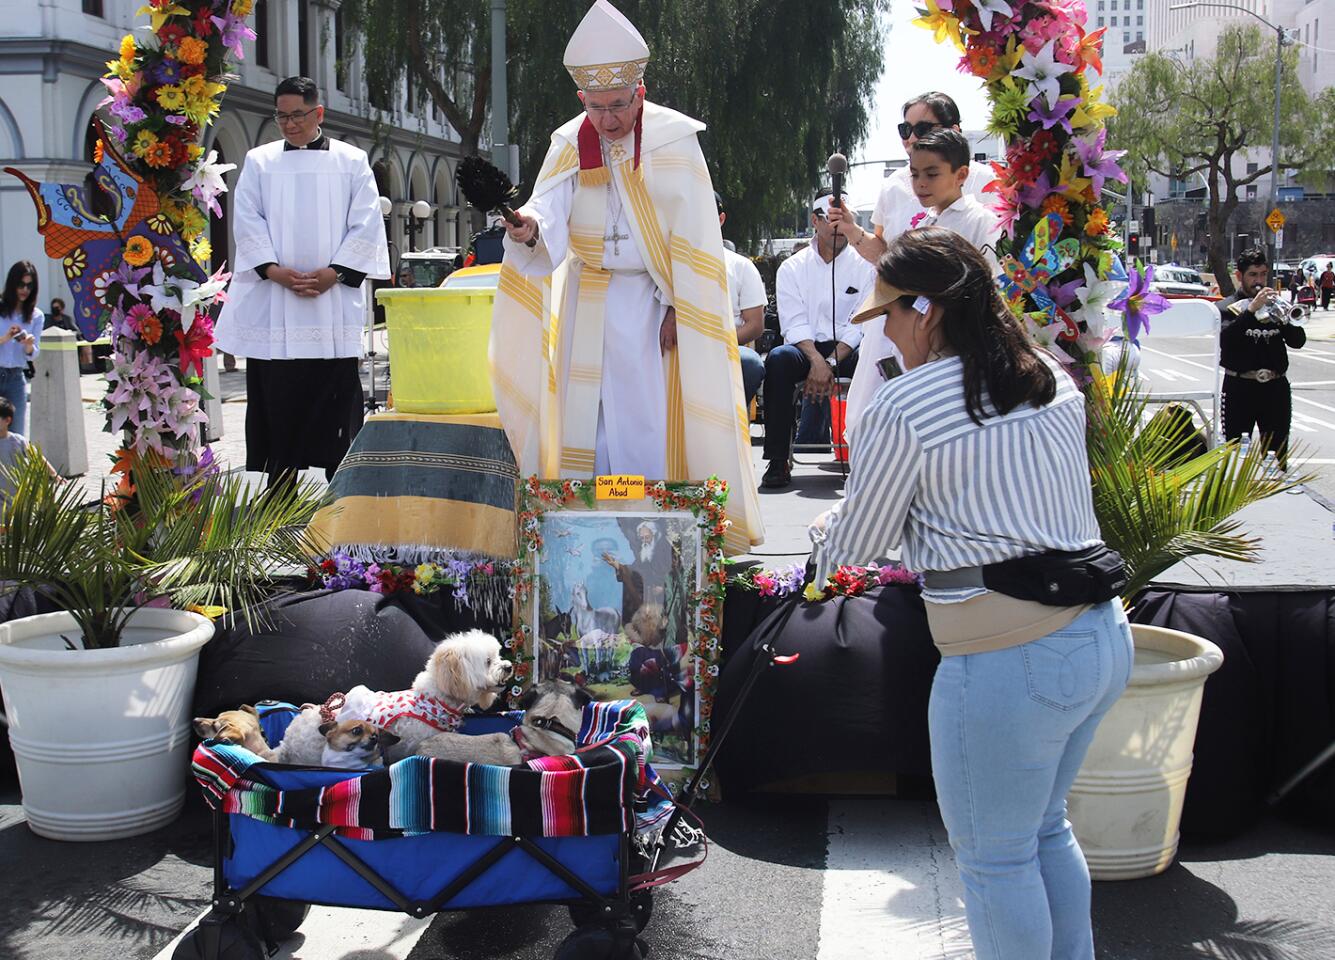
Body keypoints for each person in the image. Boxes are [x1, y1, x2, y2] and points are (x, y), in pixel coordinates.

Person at [812, 227, 1132, 960]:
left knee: (995, 857)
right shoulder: (1047, 375)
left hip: (1006, 655)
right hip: (1096, 631)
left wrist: (827, 532)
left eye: (888, 314)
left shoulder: (905, 405)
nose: (885, 332)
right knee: (1042, 831)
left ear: (924, 310)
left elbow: (857, 546)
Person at [490, 0, 762, 553]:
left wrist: (675, 304)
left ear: (640, 92)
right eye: (596, 107)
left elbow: (693, 240)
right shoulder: (570, 141)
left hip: (649, 307)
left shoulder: (673, 141)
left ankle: (659, 546)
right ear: (580, 99)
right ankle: (584, 544)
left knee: (648, 426)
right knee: (586, 431)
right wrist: (527, 231)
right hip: (586, 305)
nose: (609, 120)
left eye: (618, 105)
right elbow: (549, 206)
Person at [215, 77, 390, 484]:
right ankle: (278, 497)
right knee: (277, 407)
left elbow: (365, 223)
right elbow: (247, 218)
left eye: (297, 115)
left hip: (331, 306)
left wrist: (335, 273)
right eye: (282, 116)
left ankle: (338, 497)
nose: (290, 124)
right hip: (276, 305)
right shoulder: (259, 162)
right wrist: (273, 270)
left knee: (333, 409)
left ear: (318, 114)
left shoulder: (350, 161)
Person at [829, 94, 995, 437]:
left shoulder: (985, 189)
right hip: (900, 317)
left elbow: (991, 265)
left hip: (955, 325)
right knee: (881, 418)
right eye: (906, 129)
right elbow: (886, 256)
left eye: (923, 128)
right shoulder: (894, 188)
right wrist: (852, 230)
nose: (912, 138)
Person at [758, 192, 875, 489]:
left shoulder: (865, 265)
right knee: (779, 360)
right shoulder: (793, 267)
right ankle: (777, 460)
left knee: (876, 358)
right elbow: (793, 322)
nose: (838, 227)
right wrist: (816, 361)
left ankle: (872, 458)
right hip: (805, 349)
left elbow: (861, 321)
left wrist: (832, 361)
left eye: (844, 220)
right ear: (815, 220)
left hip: (848, 349)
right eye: (831, 220)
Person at [1217, 247, 1305, 470]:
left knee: (1277, 458)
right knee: (1234, 457)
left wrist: (1285, 317)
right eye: (1252, 275)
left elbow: (1298, 341)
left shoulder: (1275, 306)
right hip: (1239, 388)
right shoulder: (1227, 307)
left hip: (1275, 389)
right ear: (1240, 276)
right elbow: (1226, 340)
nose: (1258, 281)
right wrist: (1251, 311)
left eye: (1262, 274)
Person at [717, 192, 766, 407]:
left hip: (729, 344)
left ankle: (733, 423)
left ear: (721, 219)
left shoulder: (741, 266)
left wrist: (720, 341)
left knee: (751, 364)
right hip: (683, 345)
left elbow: (755, 325)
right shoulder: (674, 263)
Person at [0, 261, 43, 437]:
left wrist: (29, 345)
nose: (25, 289)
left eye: (29, 285)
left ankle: (14, 466)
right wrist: (6, 338)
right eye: (21, 284)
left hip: (16, 377)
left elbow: (33, 354)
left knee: (16, 434)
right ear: (12, 284)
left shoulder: (36, 315)